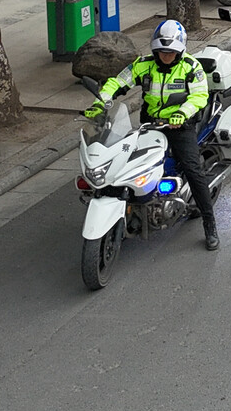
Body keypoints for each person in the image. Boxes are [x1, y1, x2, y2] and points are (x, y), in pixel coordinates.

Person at [85, 20, 219, 250]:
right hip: (150, 125)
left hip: (180, 126)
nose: (166, 56)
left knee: (192, 169)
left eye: (170, 52)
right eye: (161, 52)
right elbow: (118, 82)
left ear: (180, 50)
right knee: (126, 163)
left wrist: (181, 114)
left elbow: (199, 97)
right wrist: (101, 102)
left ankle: (210, 223)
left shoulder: (191, 67)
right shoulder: (143, 65)